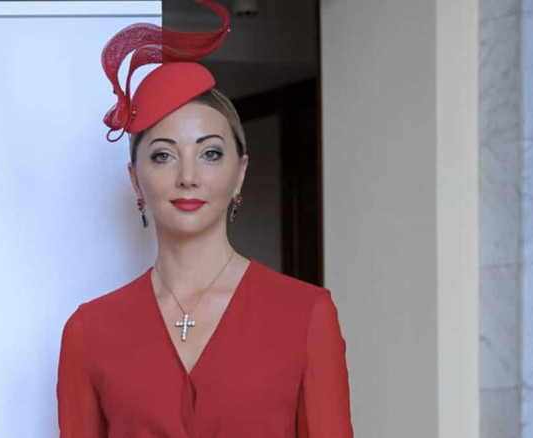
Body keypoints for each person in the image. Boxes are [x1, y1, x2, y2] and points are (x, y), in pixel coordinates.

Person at [56, 1, 353, 436]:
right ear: (136, 180)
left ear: (240, 173)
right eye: (163, 155)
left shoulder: (306, 314)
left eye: (210, 153)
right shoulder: (90, 330)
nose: (188, 176)